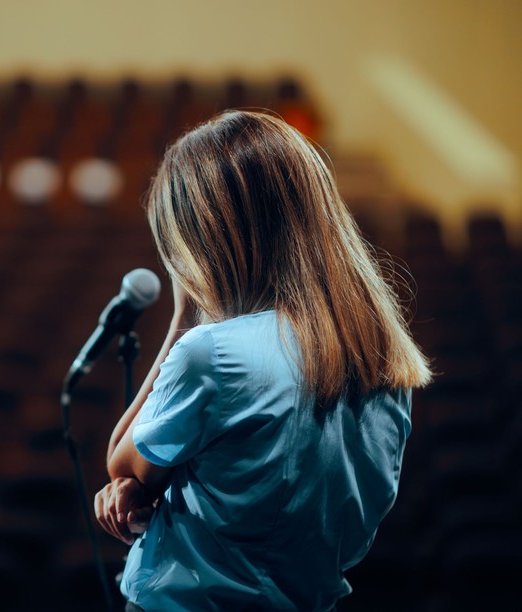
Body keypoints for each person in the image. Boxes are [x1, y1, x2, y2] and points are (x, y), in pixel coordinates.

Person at [93, 110, 432, 611]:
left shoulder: (211, 353)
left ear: (206, 239)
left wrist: (184, 318)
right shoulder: (383, 356)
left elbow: (123, 460)